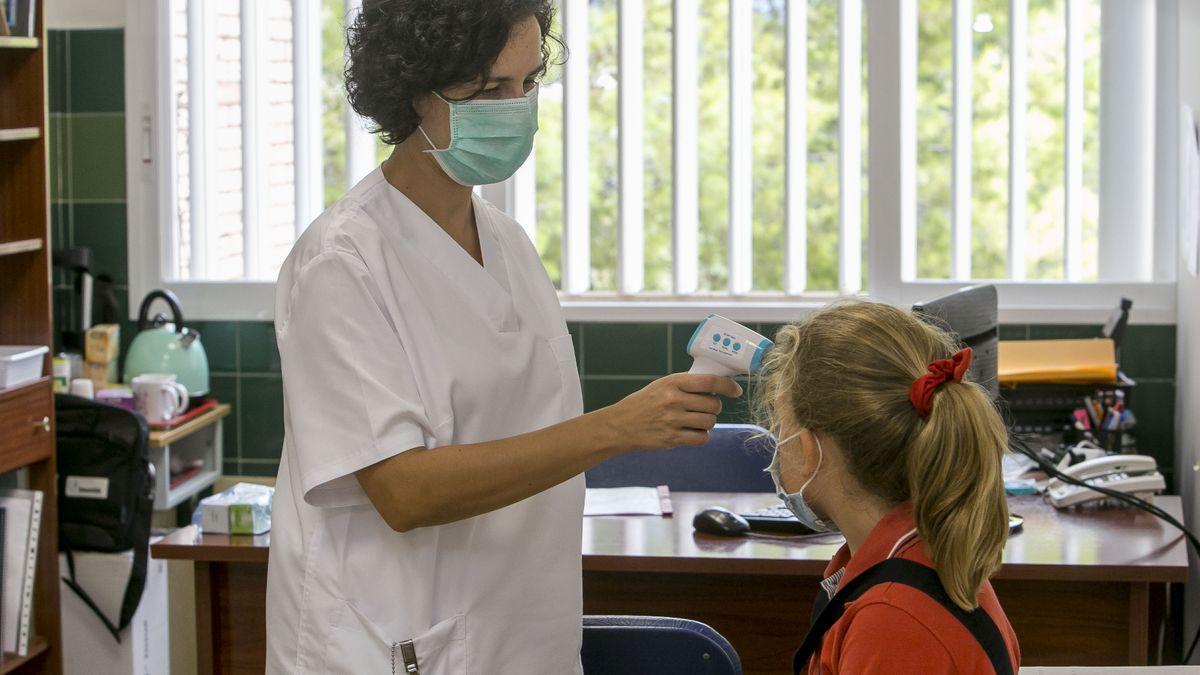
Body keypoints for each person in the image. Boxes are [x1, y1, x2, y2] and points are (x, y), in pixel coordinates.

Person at [263, 2, 741, 673]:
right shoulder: (341, 263)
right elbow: (403, 490)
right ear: (411, 89)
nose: (516, 108)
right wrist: (619, 427)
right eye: (490, 89)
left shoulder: (507, 243)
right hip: (393, 643)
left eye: (528, 83)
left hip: (519, 632)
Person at [756, 301, 1021, 674]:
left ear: (810, 448)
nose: (775, 439)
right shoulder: (904, 560)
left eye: (781, 422)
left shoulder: (894, 621)